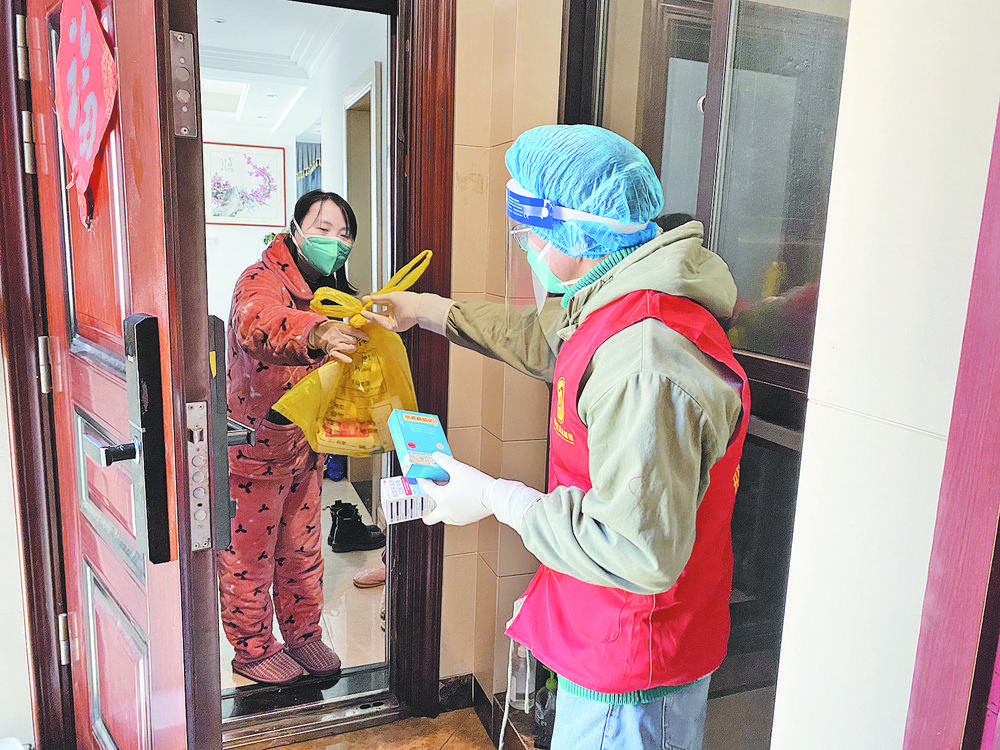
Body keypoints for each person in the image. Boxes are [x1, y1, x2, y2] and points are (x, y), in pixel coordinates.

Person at [363, 125, 750, 749]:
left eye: (529, 234)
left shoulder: (644, 363)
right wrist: (427, 310)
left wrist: (495, 498)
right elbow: (543, 340)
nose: (528, 248)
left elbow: (635, 551)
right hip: (606, 626)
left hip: (632, 660)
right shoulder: (616, 303)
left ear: (578, 230)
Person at [218, 189, 383, 684]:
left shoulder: (330, 292)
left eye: (345, 234)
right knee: (249, 557)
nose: (336, 242)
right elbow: (258, 324)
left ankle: (304, 635)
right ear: (295, 231)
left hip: (303, 448)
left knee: (302, 550)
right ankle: (252, 649)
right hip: (253, 449)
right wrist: (316, 333)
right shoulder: (259, 279)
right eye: (323, 229)